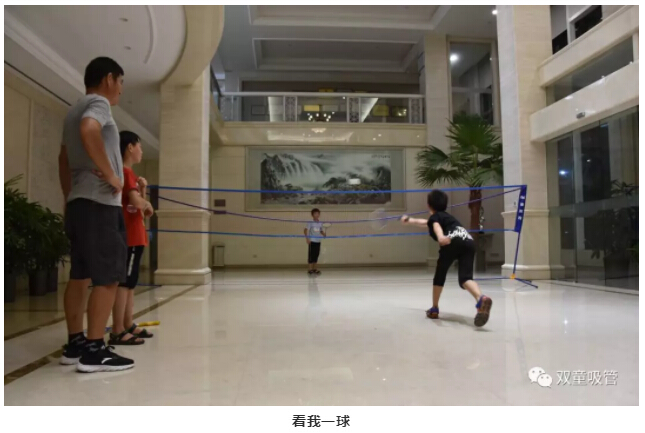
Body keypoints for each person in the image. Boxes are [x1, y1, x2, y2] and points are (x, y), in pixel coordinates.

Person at [58, 57, 134, 372]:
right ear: (109, 79)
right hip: (100, 205)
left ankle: (75, 343)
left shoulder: (72, 110)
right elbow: (89, 129)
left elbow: (63, 158)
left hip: (80, 203)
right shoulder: (98, 104)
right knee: (108, 277)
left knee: (80, 275)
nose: (121, 90)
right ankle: (94, 350)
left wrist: (69, 196)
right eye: (121, 82)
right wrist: (113, 177)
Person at [401, 190, 493, 327]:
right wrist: (410, 220)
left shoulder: (435, 219)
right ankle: (481, 299)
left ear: (428, 205)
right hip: (468, 241)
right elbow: (427, 222)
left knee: (440, 275)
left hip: (451, 241)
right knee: (465, 279)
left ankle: (434, 309)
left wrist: (441, 237)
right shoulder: (447, 217)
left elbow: (435, 225)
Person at [108, 131, 154, 346]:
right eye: (139, 146)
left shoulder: (132, 175)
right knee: (124, 284)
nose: (141, 151)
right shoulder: (125, 173)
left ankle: (127, 323)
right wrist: (146, 202)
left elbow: (139, 210)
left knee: (130, 283)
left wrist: (143, 190)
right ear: (129, 147)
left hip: (136, 237)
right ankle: (118, 329)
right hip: (129, 237)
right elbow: (137, 204)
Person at [304, 208, 326, 275]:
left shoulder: (320, 223)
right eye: (315, 213)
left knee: (316, 255)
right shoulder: (310, 222)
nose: (316, 215)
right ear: (312, 215)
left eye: (317, 213)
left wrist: (323, 234)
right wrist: (307, 238)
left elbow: (321, 230)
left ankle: (315, 269)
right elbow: (305, 230)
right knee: (311, 255)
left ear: (319, 214)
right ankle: (310, 269)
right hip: (312, 241)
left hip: (318, 241)